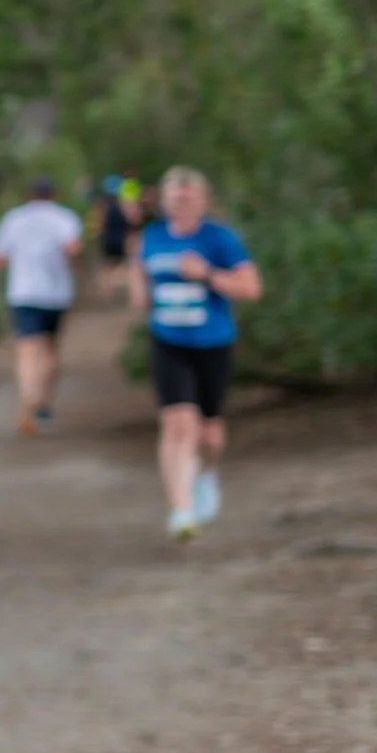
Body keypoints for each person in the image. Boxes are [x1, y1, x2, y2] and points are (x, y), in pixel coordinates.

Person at [131, 165, 262, 542]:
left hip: (214, 344)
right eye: (175, 197)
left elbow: (251, 288)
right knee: (177, 423)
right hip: (168, 342)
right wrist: (139, 292)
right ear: (165, 202)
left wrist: (206, 275)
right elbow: (140, 274)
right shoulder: (152, 238)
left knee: (209, 435)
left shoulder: (220, 240)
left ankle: (206, 476)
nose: (182, 203)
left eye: (189, 197)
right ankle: (181, 510)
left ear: (203, 200)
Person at [0, 178, 86, 433]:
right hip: (56, 294)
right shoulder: (65, 218)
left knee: (27, 349)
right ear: (54, 195)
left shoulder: (13, 219)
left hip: (23, 292)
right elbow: (73, 249)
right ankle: (42, 403)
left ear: (29, 195)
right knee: (50, 349)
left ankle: (27, 396)